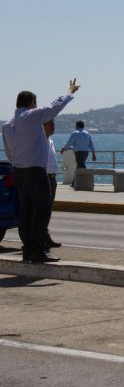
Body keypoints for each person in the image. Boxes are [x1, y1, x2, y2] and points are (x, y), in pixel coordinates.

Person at [2, 79, 79, 263]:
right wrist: (69, 92)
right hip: (35, 172)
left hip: (19, 172)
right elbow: (54, 107)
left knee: (25, 212)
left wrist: (18, 164)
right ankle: (38, 250)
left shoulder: (7, 125)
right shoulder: (31, 116)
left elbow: (8, 151)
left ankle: (28, 250)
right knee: (42, 210)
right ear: (31, 103)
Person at [43, 120, 62, 249]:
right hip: (43, 178)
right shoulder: (39, 142)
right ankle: (42, 238)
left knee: (48, 210)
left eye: (54, 124)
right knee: (42, 210)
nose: (53, 127)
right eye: (50, 124)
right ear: (43, 126)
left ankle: (45, 236)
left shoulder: (50, 142)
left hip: (52, 178)